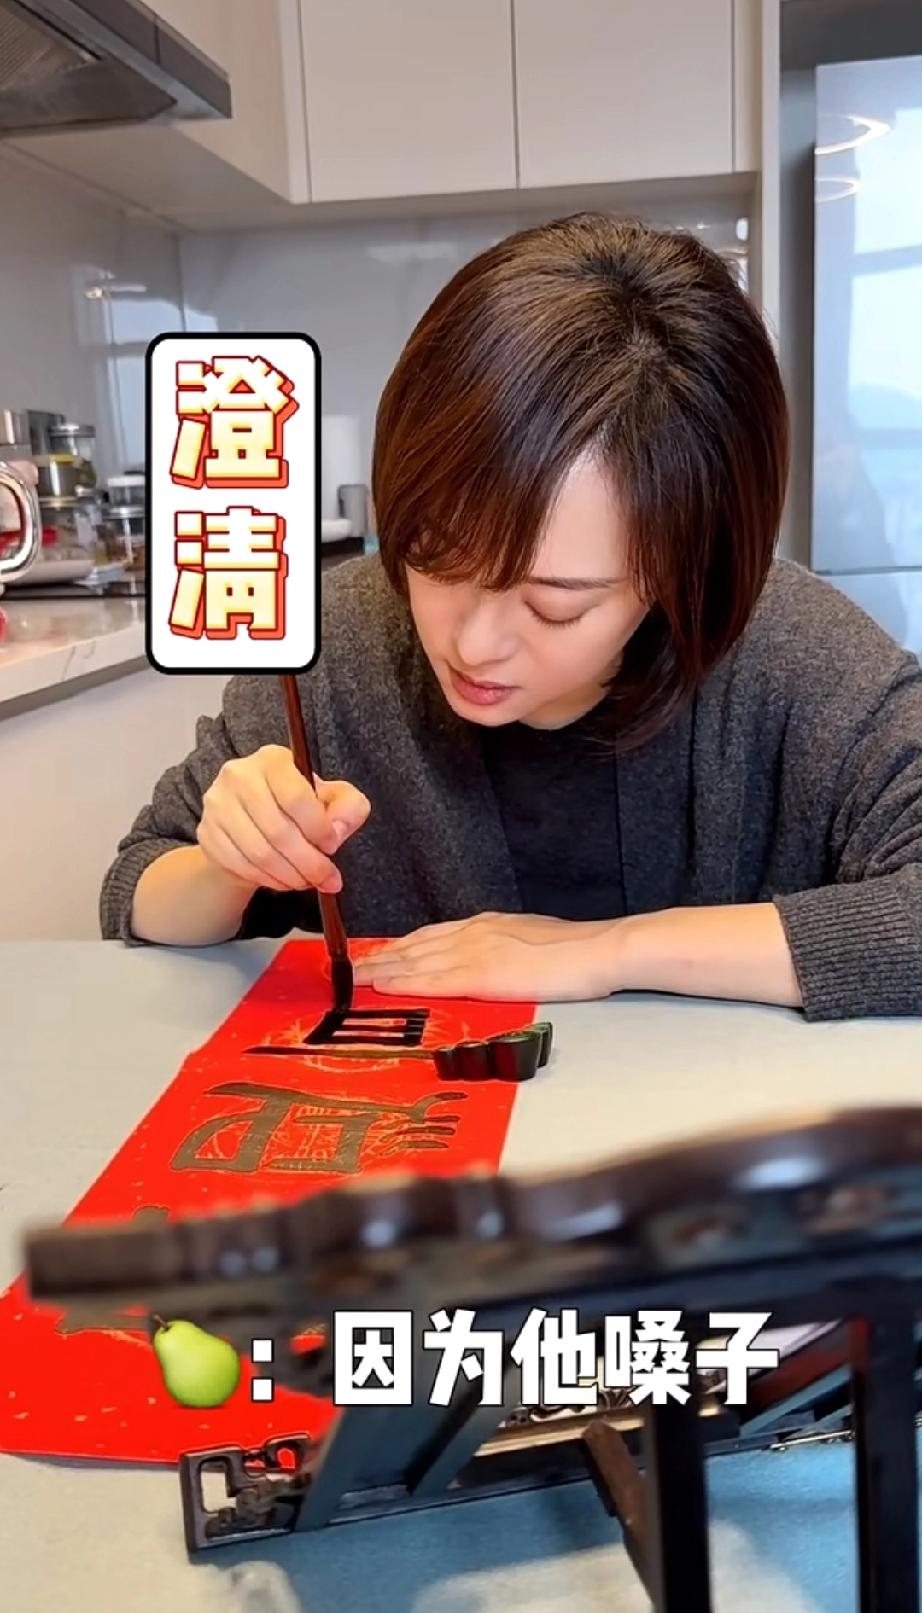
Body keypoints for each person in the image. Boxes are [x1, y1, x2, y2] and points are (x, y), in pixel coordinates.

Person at [101, 213, 922, 1022]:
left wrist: (609, 951)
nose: (473, 643)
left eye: (555, 605)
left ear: (679, 573)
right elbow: (135, 889)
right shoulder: (339, 643)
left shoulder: (787, 652)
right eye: (435, 557)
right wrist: (231, 863)